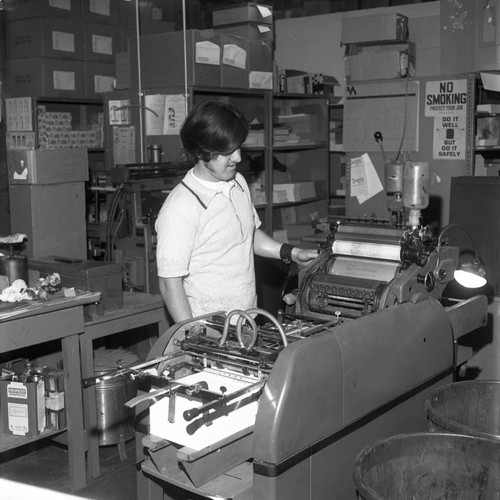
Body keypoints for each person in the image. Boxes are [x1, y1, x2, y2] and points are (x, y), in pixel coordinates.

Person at [155, 100, 318, 323]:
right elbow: (169, 282)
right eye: (228, 152)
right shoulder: (181, 207)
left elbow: (246, 235)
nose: (238, 158)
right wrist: (192, 334)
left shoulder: (238, 182)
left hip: (246, 321)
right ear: (201, 152)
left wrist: (292, 253)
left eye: (238, 147)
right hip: (209, 331)